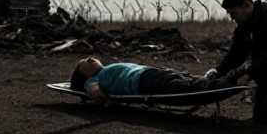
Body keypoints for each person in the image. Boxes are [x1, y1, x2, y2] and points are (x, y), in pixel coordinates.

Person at [70, 57, 219, 103]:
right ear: (85, 76)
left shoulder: (107, 69)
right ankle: (218, 84)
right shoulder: (94, 79)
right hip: (142, 82)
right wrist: (94, 92)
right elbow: (92, 88)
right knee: (178, 86)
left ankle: (206, 80)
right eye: (84, 63)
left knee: (182, 76)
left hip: (149, 71)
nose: (90, 58)